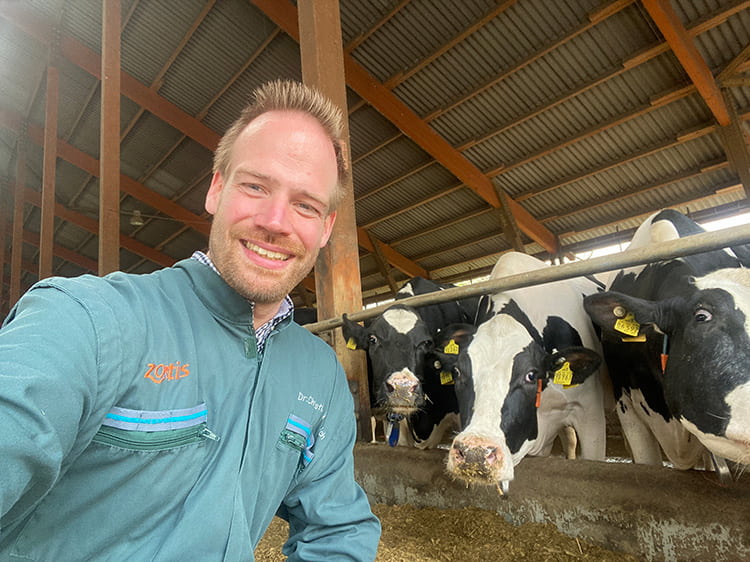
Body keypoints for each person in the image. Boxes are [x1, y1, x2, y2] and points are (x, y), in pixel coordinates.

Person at [0, 80, 381, 560]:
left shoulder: (319, 376)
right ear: (216, 189)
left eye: (306, 205)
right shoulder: (90, 320)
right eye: (255, 186)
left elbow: (339, 530)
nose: (277, 220)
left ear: (325, 228)